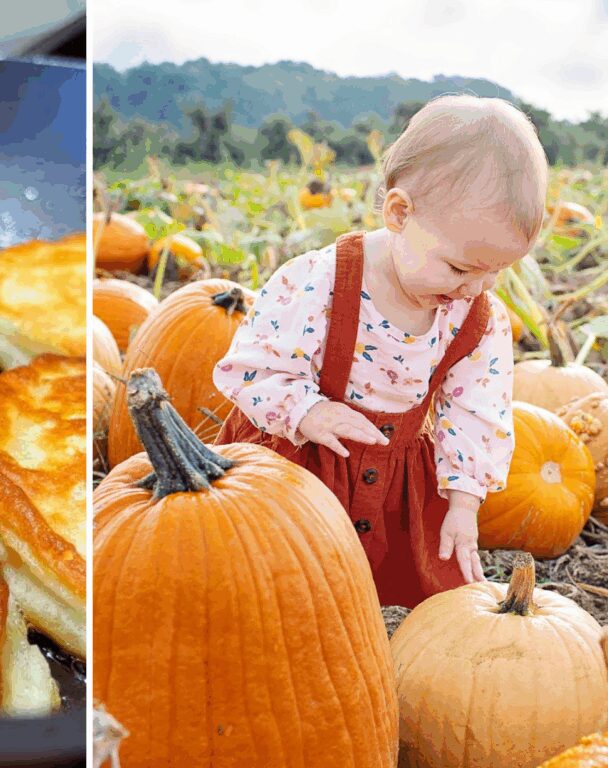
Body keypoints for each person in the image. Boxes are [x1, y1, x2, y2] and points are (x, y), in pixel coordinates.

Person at [213, 95, 547, 608]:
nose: (474, 288)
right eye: (460, 269)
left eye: (495, 272)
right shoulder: (321, 282)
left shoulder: (478, 319)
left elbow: (477, 413)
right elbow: (254, 367)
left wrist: (462, 502)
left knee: (419, 596)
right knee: (270, 583)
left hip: (395, 486)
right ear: (399, 213)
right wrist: (308, 410)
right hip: (303, 460)